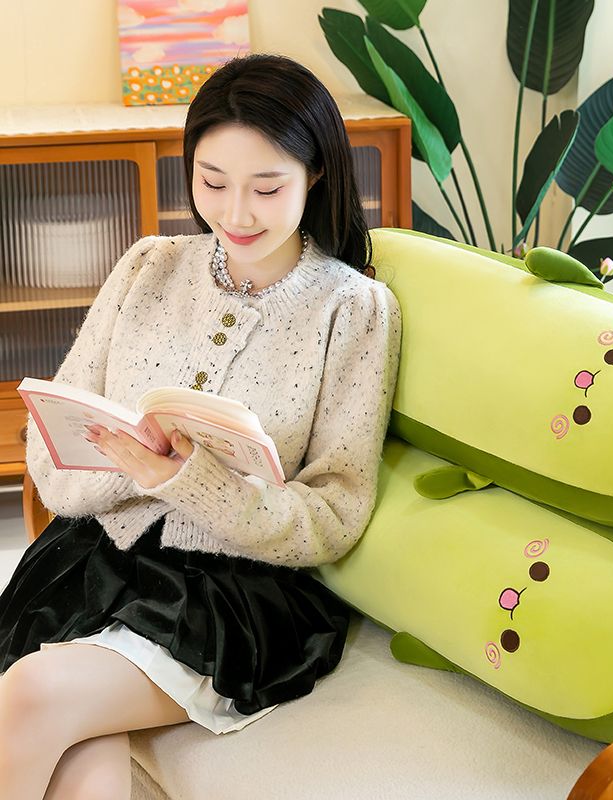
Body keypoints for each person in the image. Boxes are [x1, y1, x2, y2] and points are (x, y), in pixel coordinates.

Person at [0, 53, 401, 799]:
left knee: (33, 692)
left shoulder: (352, 309)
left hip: (236, 596)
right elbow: (51, 458)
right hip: (92, 562)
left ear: (316, 174)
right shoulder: (147, 266)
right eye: (212, 182)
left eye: (267, 188)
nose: (236, 214)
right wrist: (135, 464)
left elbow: (335, 514)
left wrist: (191, 482)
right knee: (83, 757)